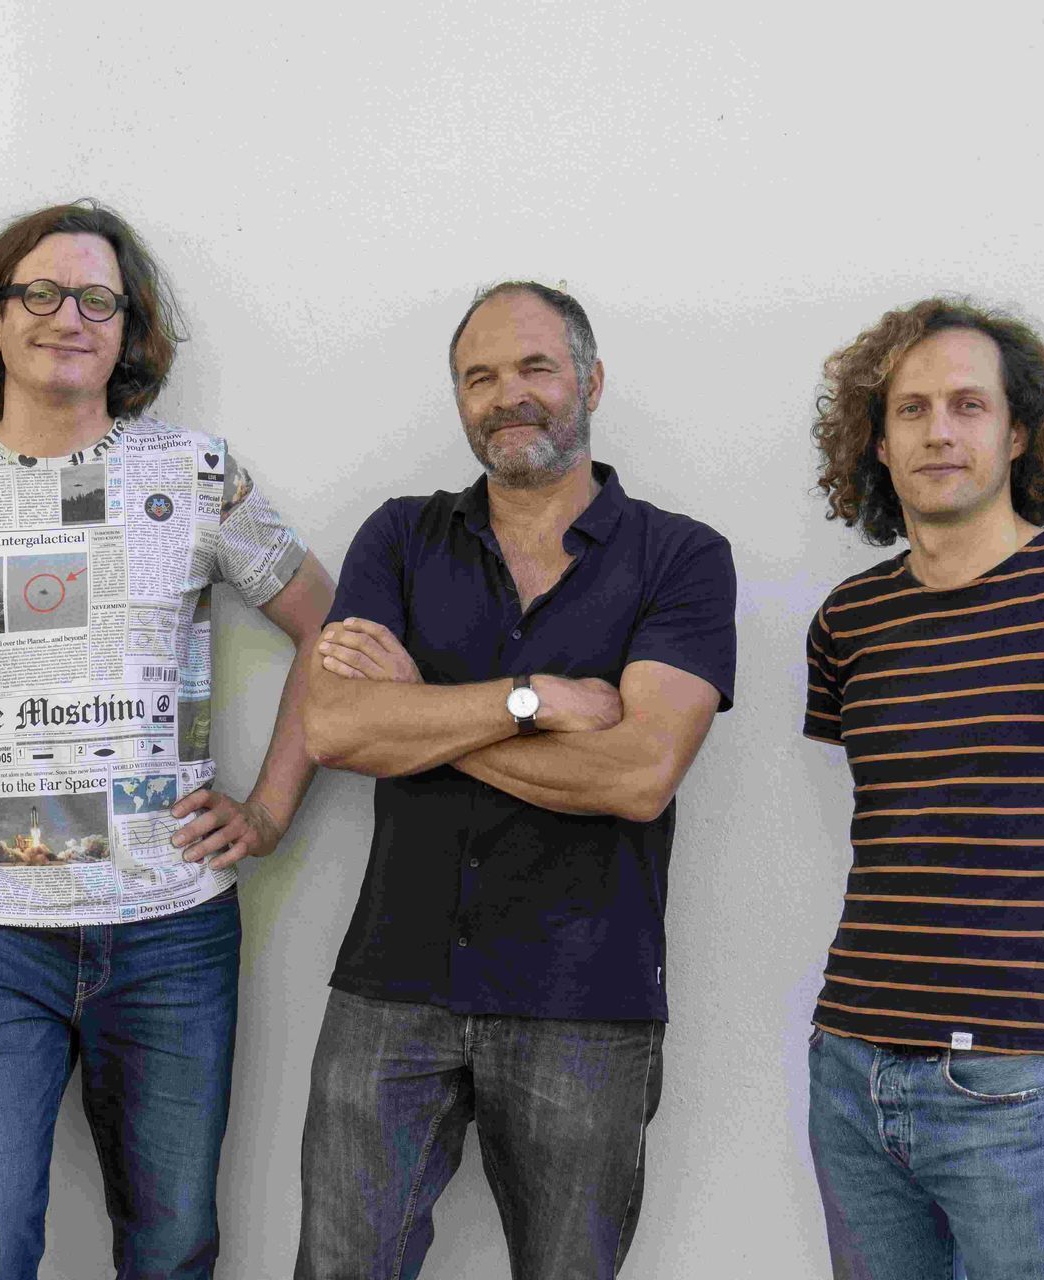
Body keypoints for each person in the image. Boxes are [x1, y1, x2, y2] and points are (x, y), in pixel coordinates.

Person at [0, 201, 334, 1279]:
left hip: (172, 926)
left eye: (96, 299)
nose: (66, 316)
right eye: (37, 292)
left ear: (128, 332)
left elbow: (330, 630)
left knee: (171, 1244)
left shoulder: (195, 473)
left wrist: (270, 809)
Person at [296, 281, 737, 1279]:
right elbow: (333, 724)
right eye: (479, 376)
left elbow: (638, 774)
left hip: (586, 997)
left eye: (535, 367)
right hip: (390, 985)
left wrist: (419, 710)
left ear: (591, 380)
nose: (508, 395)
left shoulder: (680, 556)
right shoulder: (400, 536)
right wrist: (533, 700)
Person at [801, 298, 1044, 1279]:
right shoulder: (849, 620)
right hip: (850, 1064)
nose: (939, 430)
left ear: (1019, 433)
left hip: (1018, 1079)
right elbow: (900, 822)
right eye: (911, 409)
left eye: (968, 404)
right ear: (878, 443)